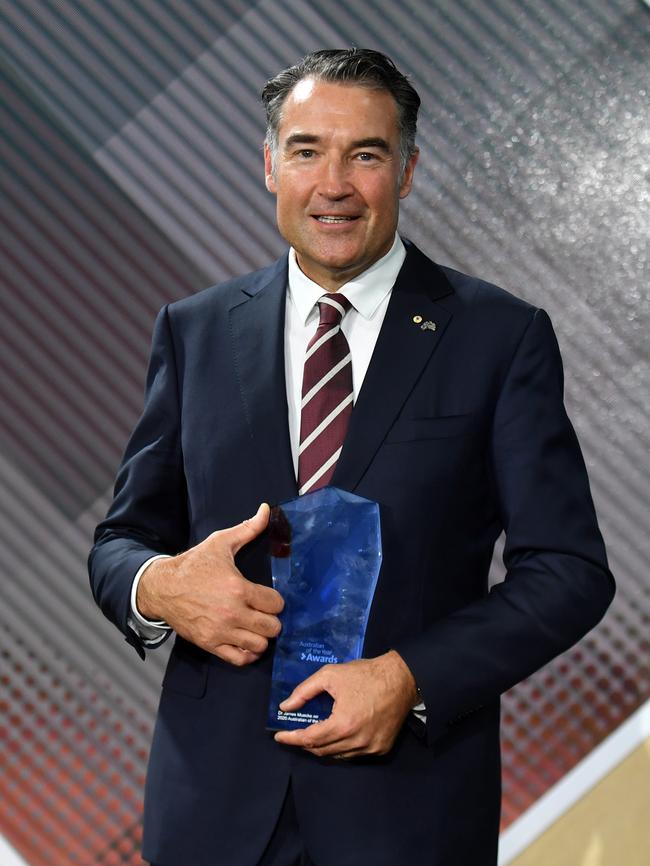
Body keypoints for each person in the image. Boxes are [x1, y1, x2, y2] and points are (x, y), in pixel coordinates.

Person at [89, 48, 615, 866]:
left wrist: (410, 678)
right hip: (212, 819)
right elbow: (121, 541)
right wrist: (158, 587)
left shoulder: (498, 337)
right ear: (269, 165)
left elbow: (570, 571)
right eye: (305, 150)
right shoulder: (193, 331)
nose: (332, 183)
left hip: (407, 813)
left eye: (364, 154)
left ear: (406, 170)